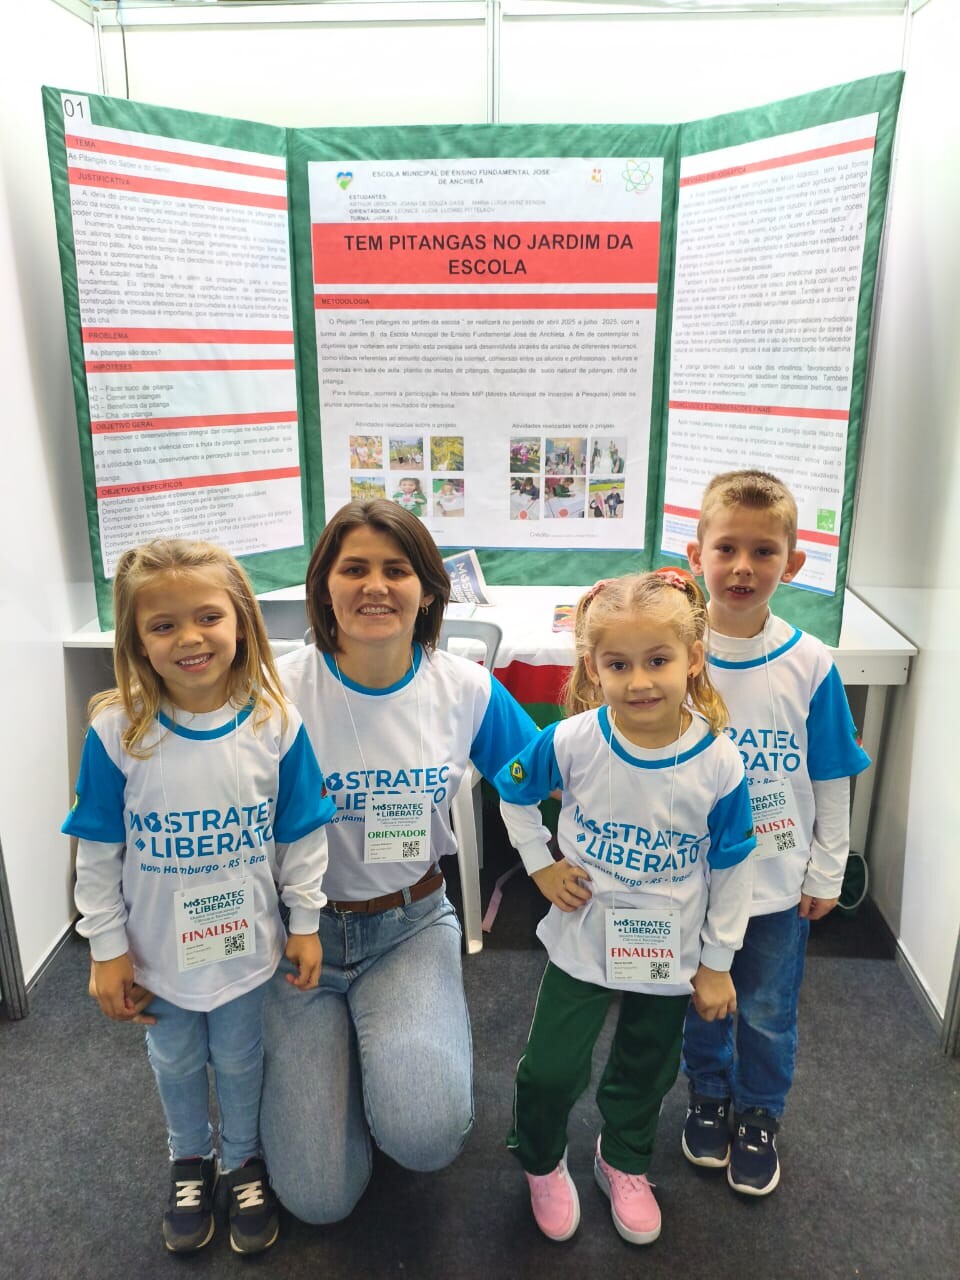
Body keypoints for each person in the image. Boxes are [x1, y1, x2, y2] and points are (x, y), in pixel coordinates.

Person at [260, 499, 541, 1224]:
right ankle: (354, 1058)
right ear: (324, 585)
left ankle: (387, 1057)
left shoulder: (463, 688)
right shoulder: (273, 691)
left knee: (425, 1138)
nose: (375, 586)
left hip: (406, 929)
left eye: (397, 569)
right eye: (354, 568)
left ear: (428, 589)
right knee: (320, 1201)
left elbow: (549, 773)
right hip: (295, 942)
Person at [63, 539, 334, 1255]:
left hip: (245, 950)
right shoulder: (117, 731)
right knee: (177, 1061)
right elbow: (98, 850)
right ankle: (190, 1157)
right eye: (163, 625)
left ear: (241, 620)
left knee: (242, 1059)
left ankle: (242, 1160)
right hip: (157, 956)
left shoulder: (275, 722)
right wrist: (106, 947)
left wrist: (306, 921)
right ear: (137, 642)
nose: (189, 638)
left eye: (208, 616)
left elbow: (302, 832)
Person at [491, 570, 756, 1246]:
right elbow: (512, 791)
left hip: (670, 950)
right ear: (593, 667)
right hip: (583, 936)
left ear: (693, 659)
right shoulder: (573, 739)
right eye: (618, 664)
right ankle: (542, 1160)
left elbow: (733, 866)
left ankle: (624, 1160)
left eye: (658, 660)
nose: (639, 681)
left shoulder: (720, 762)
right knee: (551, 1068)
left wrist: (718, 963)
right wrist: (541, 864)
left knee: (647, 1066)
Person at [679, 470, 871, 1196]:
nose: (742, 567)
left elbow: (831, 773)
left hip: (776, 884)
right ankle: (708, 1093)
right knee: (702, 996)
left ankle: (759, 1112)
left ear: (792, 564)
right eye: (726, 548)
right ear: (696, 553)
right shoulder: (675, 656)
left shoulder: (811, 663)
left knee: (764, 1008)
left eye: (763, 552)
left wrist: (828, 870)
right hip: (693, 878)